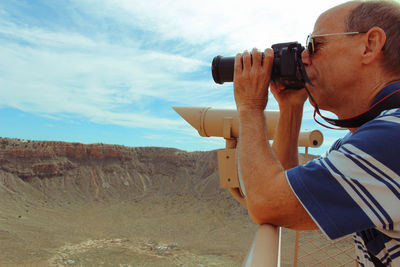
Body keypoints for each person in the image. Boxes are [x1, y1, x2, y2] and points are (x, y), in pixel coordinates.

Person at [233, 0, 400, 266]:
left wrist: (250, 106)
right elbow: (285, 193)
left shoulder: (392, 139)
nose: (303, 58)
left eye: (314, 45)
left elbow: (267, 202)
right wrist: (291, 107)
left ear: (369, 45)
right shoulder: (366, 142)